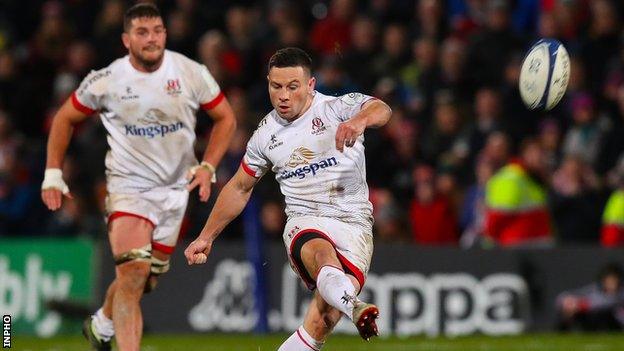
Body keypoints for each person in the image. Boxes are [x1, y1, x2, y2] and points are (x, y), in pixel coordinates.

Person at [40, 4, 236, 350]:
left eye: (158, 30)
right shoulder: (107, 80)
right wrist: (53, 173)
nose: (152, 38)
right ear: (126, 39)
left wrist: (207, 166)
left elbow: (225, 118)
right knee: (132, 275)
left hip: (176, 192)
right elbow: (64, 118)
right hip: (128, 188)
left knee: (146, 279)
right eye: (142, 33)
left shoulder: (190, 72)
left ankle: (101, 322)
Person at [184, 47, 392, 349]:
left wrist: (359, 122)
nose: (283, 95)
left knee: (321, 321)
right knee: (322, 256)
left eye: (292, 87)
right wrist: (206, 236)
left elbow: (382, 109)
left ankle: (346, 304)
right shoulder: (265, 135)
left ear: (310, 85)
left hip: (354, 223)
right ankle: (354, 305)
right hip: (304, 222)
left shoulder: (337, 108)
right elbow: (240, 187)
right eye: (276, 86)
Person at [484, 137, 553, 247]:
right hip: (517, 249)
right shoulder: (512, 177)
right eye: (536, 153)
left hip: (537, 248)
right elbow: (497, 217)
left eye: (543, 154)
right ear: (524, 155)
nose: (540, 158)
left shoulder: (534, 179)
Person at [556, 263, 624, 331]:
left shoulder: (621, 293)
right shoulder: (594, 290)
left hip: (616, 324)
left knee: (608, 313)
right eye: (608, 281)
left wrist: (584, 305)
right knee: (569, 311)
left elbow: (608, 302)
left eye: (613, 281)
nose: (610, 284)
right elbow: (562, 297)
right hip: (592, 323)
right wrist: (569, 302)